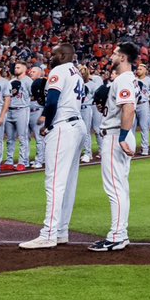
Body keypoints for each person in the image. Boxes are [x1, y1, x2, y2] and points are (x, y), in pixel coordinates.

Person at [18, 46, 88, 249]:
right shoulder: (76, 72)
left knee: (54, 182)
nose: (51, 56)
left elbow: (51, 103)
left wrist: (47, 124)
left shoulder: (59, 70)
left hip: (63, 126)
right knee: (68, 183)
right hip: (77, 125)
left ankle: (48, 233)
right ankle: (61, 231)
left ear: (64, 56)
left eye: (55, 53)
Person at [90, 43, 137, 253]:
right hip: (119, 133)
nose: (112, 56)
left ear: (124, 57)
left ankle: (117, 236)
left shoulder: (124, 78)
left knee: (115, 189)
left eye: (116, 53)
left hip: (117, 134)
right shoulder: (125, 79)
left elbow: (129, 108)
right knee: (120, 188)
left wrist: (123, 137)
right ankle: (120, 233)